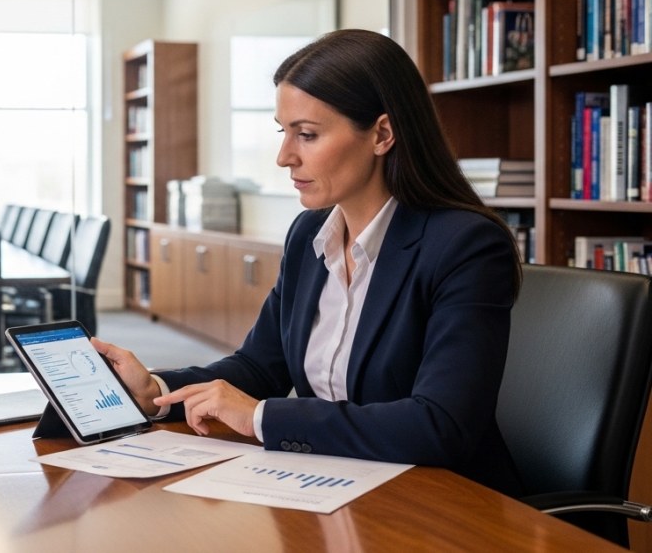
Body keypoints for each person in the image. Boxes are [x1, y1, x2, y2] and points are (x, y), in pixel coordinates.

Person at [93, 28, 524, 496]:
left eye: (307, 134)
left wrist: (260, 417)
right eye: (284, 132)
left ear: (381, 134)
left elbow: (440, 424)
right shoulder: (308, 237)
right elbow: (259, 369)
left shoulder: (465, 246)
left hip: (446, 502)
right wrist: (154, 391)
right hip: (342, 486)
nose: (284, 156)